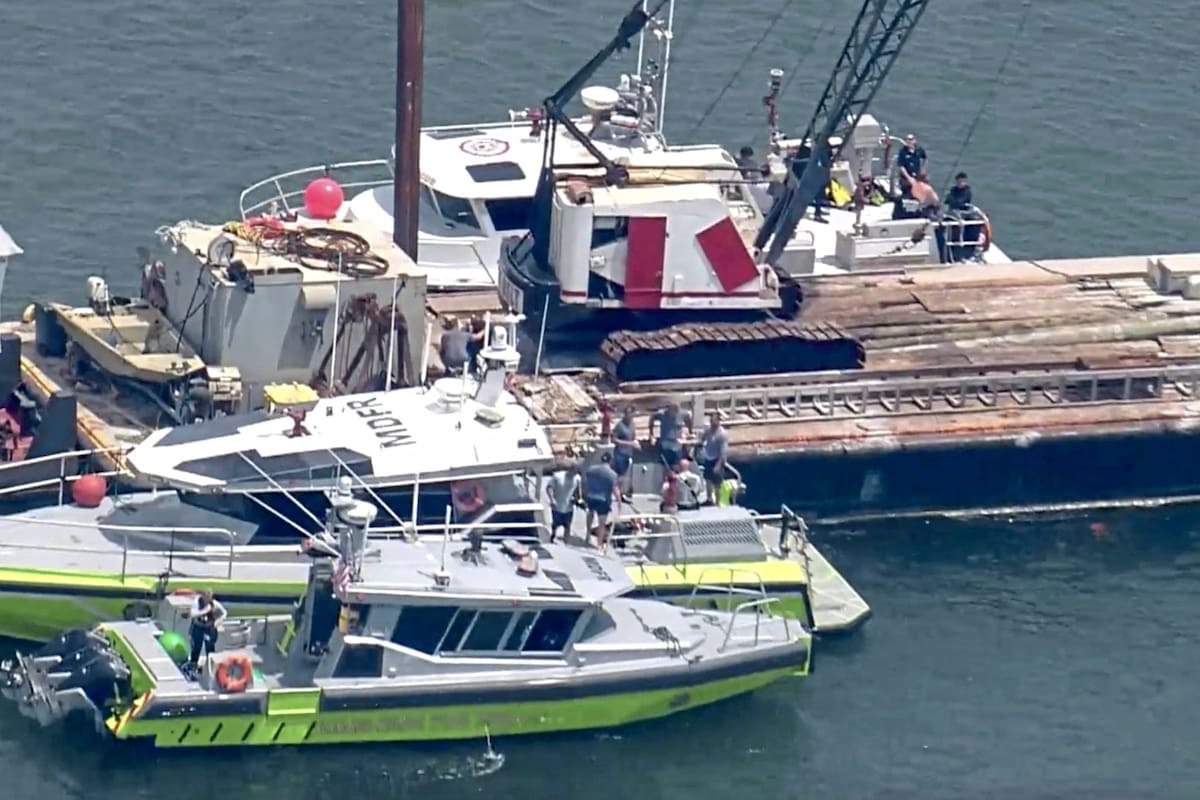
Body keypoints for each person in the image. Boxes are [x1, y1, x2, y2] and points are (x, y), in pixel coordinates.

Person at [583, 452, 620, 549]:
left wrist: (584, 494)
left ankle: (587, 536)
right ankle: (599, 543)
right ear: (610, 461)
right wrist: (619, 502)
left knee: (590, 515)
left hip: (591, 496)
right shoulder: (612, 475)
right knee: (601, 523)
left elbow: (586, 484)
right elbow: (615, 490)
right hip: (603, 500)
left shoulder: (591, 470)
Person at [187, 588, 227, 669]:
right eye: (206, 597)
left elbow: (224, 613)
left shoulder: (214, 604)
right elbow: (192, 614)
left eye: (209, 597)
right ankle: (193, 665)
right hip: (198, 627)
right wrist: (205, 610)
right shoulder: (197, 602)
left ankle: (210, 666)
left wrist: (217, 622)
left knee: (210, 647)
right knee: (196, 647)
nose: (207, 599)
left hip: (209, 628)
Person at [696, 412, 729, 504]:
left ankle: (718, 502)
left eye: (714, 421)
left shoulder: (722, 434)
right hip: (708, 458)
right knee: (708, 480)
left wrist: (718, 465)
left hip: (717, 460)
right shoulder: (708, 430)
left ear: (718, 421)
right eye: (711, 421)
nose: (712, 423)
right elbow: (702, 438)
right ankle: (709, 499)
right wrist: (700, 441)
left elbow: (724, 452)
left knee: (717, 484)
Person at [546, 461, 581, 543]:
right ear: (570, 469)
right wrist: (552, 499)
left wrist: (577, 499)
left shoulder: (577, 478)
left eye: (576, 472)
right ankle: (553, 536)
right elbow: (549, 488)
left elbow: (578, 491)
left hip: (569, 507)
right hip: (557, 506)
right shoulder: (558, 476)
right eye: (573, 471)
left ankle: (566, 542)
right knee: (555, 524)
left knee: (567, 525)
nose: (574, 474)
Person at [649, 402, 692, 469]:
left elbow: (689, 419)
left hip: (677, 444)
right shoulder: (662, 414)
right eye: (673, 409)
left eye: (677, 409)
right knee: (665, 466)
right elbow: (652, 418)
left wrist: (690, 431)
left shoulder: (683, 414)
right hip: (665, 444)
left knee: (677, 466)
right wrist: (651, 433)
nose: (675, 411)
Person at [611, 406, 638, 500]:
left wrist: (635, 443)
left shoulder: (632, 424)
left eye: (631, 414)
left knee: (624, 475)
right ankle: (615, 494)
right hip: (620, 453)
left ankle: (620, 492)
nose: (630, 416)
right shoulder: (619, 425)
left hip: (629, 453)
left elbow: (633, 437)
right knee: (619, 475)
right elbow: (613, 439)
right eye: (628, 414)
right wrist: (629, 443)